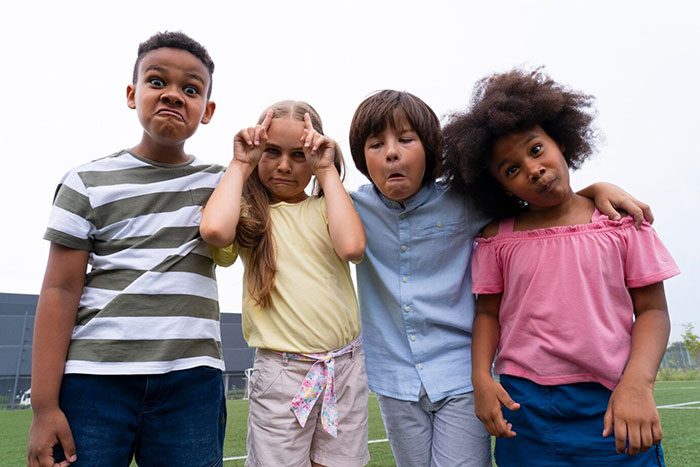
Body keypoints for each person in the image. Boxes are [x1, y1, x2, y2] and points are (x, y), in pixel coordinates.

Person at [347, 89, 656, 467]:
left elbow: (541, 201)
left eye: (406, 139)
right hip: (462, 393)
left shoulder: (617, 226)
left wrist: (597, 189)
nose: (392, 152)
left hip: (572, 391)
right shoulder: (354, 210)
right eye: (376, 144)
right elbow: (488, 311)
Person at [442, 68, 679, 466]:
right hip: (525, 413)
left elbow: (653, 310)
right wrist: (481, 379)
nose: (532, 169)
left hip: (614, 404)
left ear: (562, 142)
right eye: (511, 169)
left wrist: (638, 384)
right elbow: (487, 313)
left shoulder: (621, 223)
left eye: (536, 150)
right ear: (501, 186)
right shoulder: (496, 240)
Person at [27, 32, 226, 467]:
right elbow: (59, 291)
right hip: (95, 380)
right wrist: (44, 407)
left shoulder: (224, 183)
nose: (173, 94)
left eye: (191, 89)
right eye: (158, 82)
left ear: (207, 111)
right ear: (132, 94)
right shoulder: (86, 181)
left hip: (191, 381)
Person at [200, 101, 368, 467]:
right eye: (271, 151)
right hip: (281, 374)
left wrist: (326, 171)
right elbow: (213, 230)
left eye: (299, 154)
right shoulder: (247, 216)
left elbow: (353, 247)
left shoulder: (328, 207)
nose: (284, 165)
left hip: (344, 369)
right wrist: (242, 164)